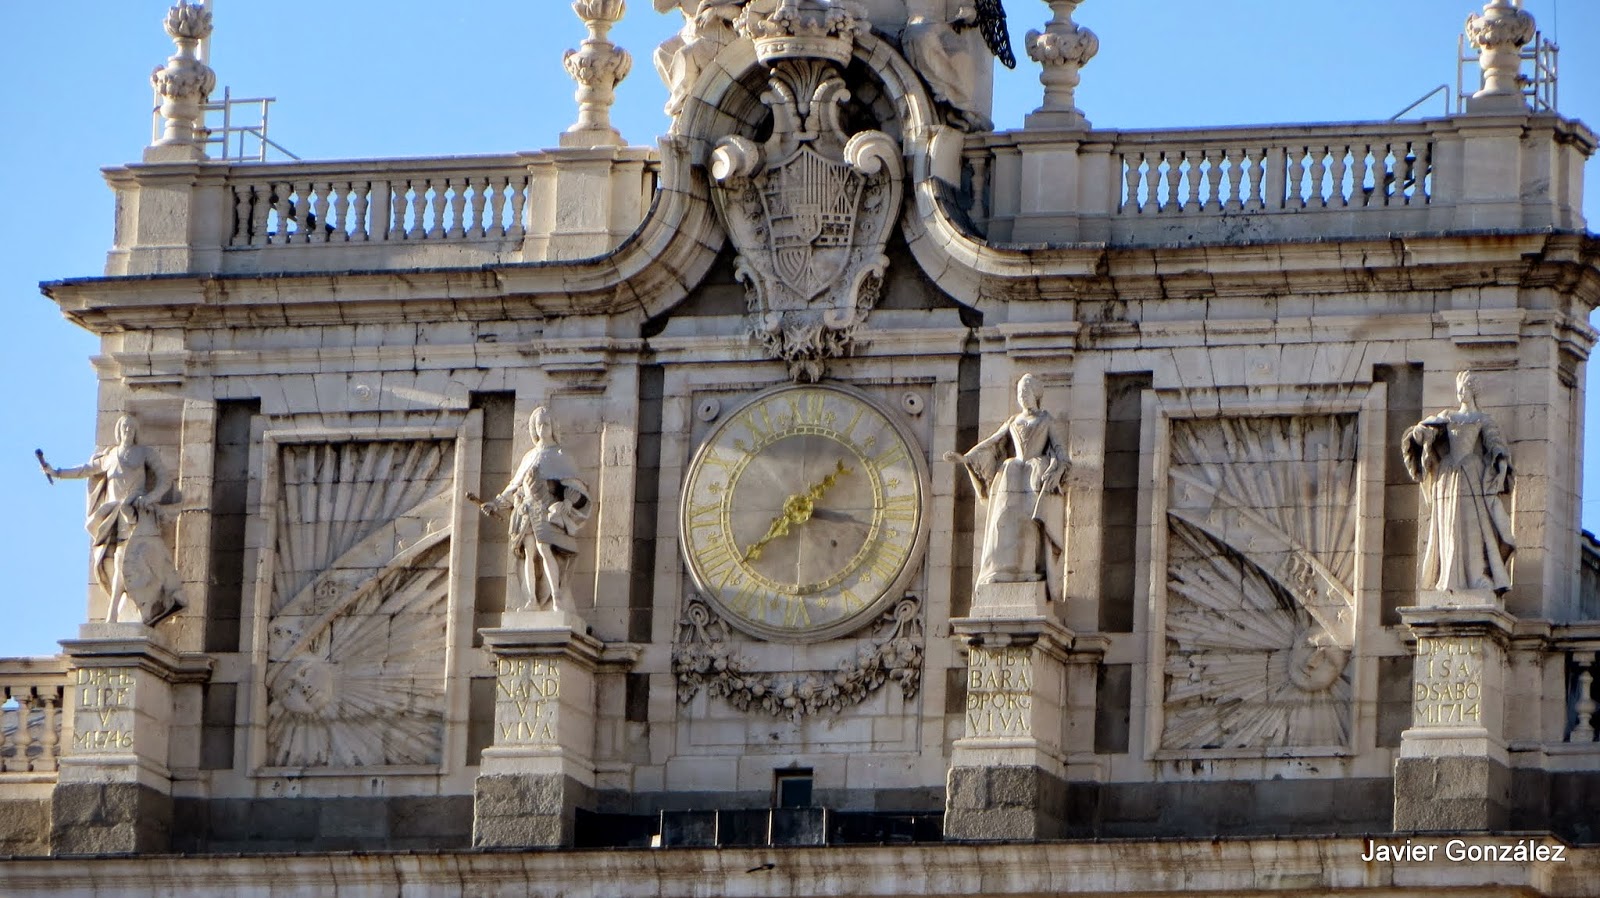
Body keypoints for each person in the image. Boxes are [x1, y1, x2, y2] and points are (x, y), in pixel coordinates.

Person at [42, 414, 184, 626]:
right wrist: (57, 472)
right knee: (120, 558)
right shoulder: (111, 457)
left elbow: (164, 479)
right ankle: (120, 611)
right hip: (114, 514)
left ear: (135, 431)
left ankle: (130, 609)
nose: (127, 431)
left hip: (137, 513)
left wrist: (149, 498)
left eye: (130, 427)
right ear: (118, 431)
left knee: (129, 557)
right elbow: (85, 470)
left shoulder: (144, 453)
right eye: (123, 427)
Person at [944, 374, 1068, 601]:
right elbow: (992, 442)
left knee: (1029, 522)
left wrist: (1057, 471)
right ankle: (1000, 569)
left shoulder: (1047, 420)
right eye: (1020, 393)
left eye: (1026, 392)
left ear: (1036, 395)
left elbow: (1061, 453)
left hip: (1034, 473)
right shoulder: (1013, 421)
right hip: (1011, 473)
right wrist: (966, 459)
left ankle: (1028, 570)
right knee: (1002, 519)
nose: (1023, 397)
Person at [1402, 371, 1515, 593]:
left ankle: (1476, 575)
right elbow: (1426, 432)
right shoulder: (1447, 416)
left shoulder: (1482, 420)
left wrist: (1500, 460)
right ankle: (1448, 578)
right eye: (1459, 388)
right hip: (1448, 475)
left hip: (1471, 474)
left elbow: (1494, 441)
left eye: (1464, 388)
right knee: (1448, 525)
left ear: (1473, 391)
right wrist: (1420, 434)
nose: (1460, 393)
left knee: (1473, 525)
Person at [478, 408, 593, 612]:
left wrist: (566, 503)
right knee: (529, 553)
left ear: (553, 427)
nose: (542, 428)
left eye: (546, 424)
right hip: (525, 510)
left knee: (544, 549)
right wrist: (495, 503)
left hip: (545, 508)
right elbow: (514, 486)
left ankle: (556, 597)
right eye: (538, 424)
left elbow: (576, 487)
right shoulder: (529, 456)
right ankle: (531, 600)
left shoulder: (560, 455)